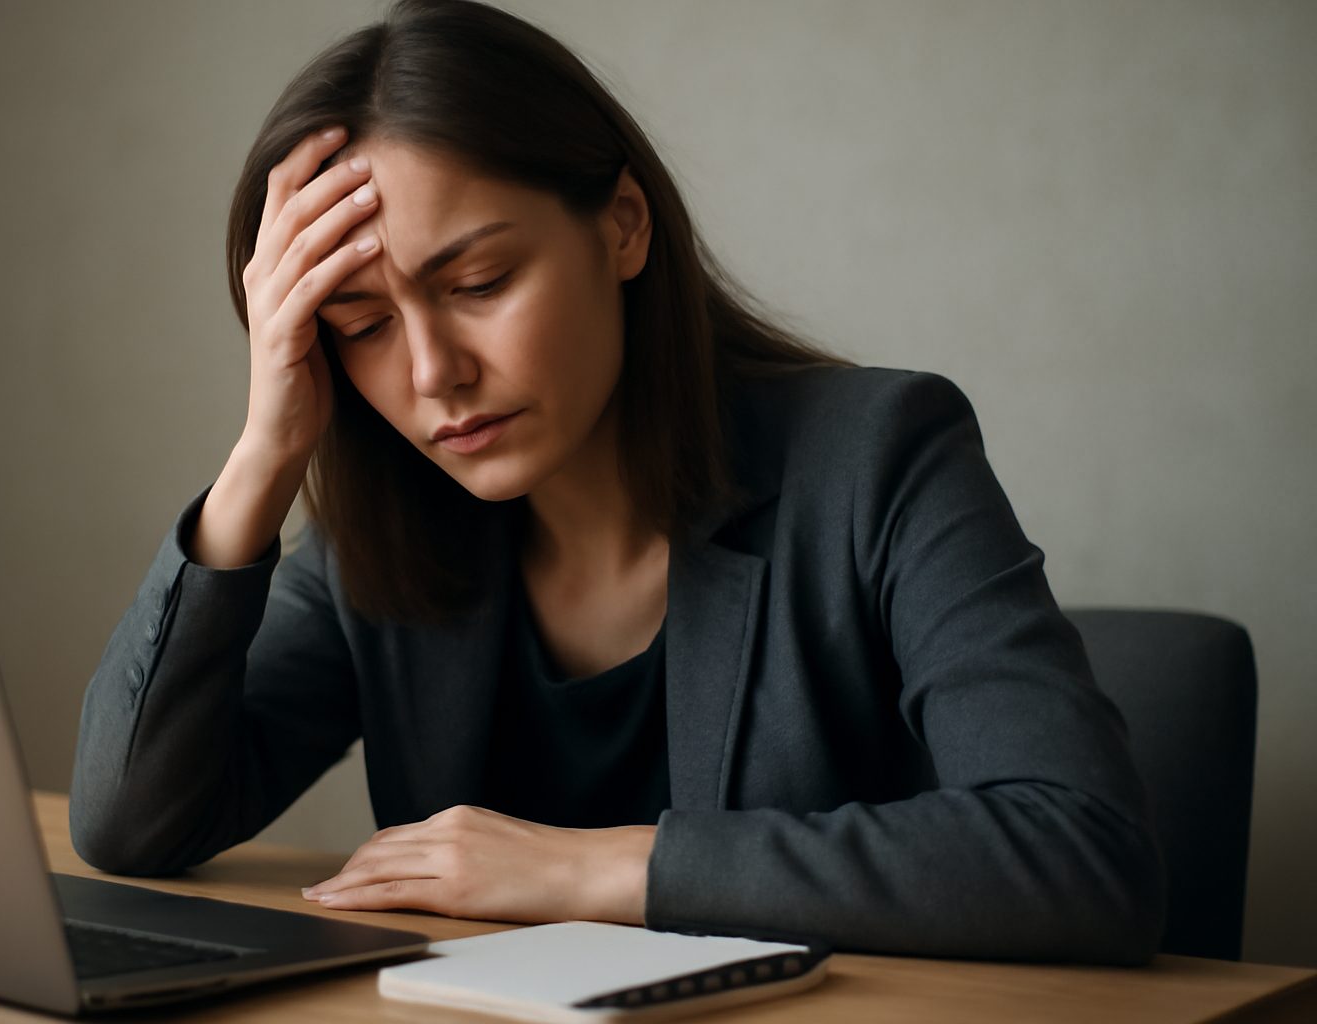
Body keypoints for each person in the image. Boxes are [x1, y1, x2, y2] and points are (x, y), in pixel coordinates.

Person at [70, 0, 1164, 963]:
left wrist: (598, 870)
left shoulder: (878, 456)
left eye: (481, 280)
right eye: (360, 327)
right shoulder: (386, 539)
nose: (433, 374)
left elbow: (1082, 852)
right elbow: (132, 824)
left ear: (624, 225)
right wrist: (261, 459)